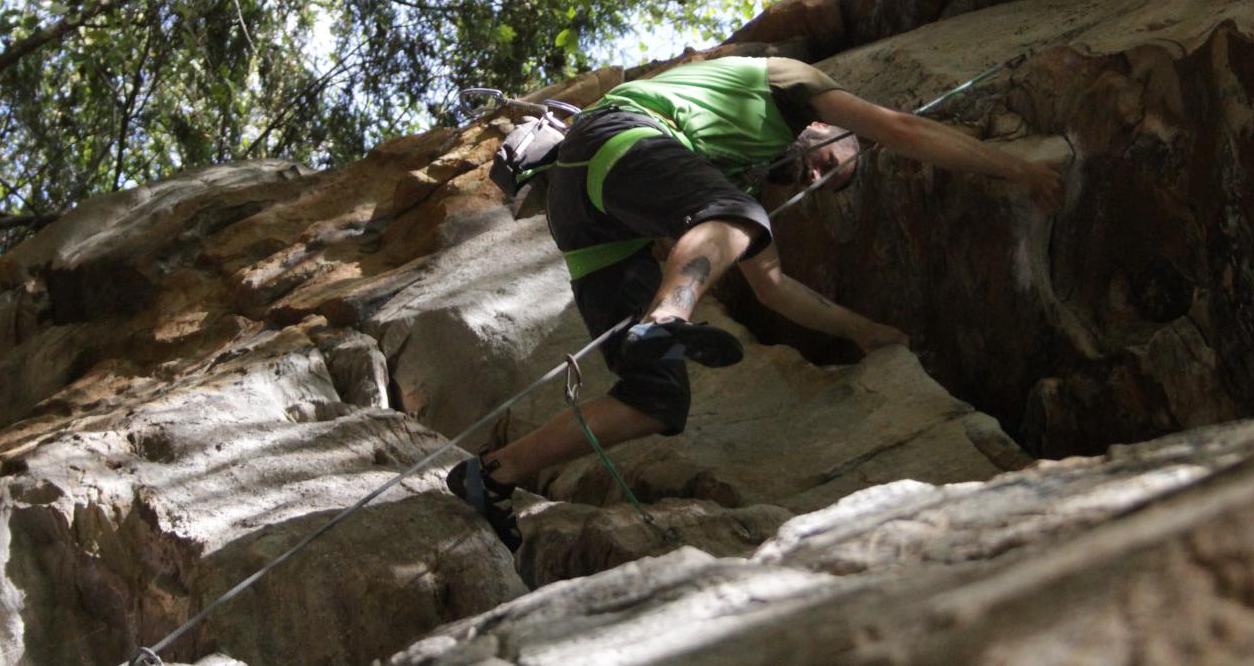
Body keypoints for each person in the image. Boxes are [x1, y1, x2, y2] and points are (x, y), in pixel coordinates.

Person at [447, 55, 1064, 551]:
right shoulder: (791, 82)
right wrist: (1019, 171)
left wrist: (862, 330)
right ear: (826, 130)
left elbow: (772, 286)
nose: (815, 178)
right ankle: (666, 317)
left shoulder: (741, 178)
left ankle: (492, 474)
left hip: (584, 217)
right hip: (615, 137)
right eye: (828, 164)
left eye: (824, 184)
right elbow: (904, 131)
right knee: (735, 215)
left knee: (656, 399)